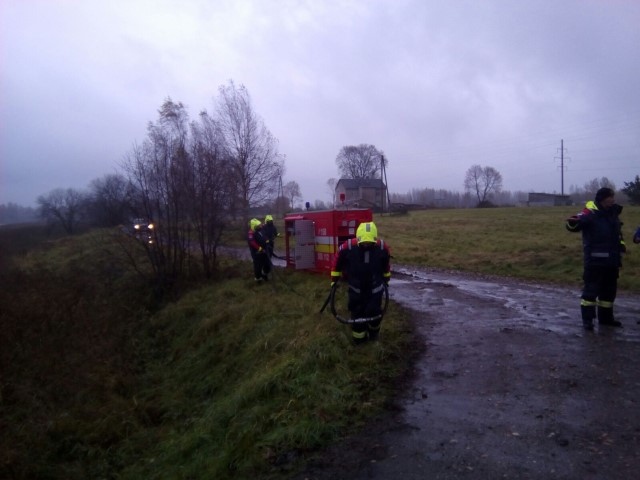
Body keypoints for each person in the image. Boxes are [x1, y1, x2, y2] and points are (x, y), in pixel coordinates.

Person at [566, 187, 626, 330]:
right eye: (610, 197)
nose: (612, 200)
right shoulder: (590, 213)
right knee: (590, 293)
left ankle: (606, 319)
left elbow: (617, 234)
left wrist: (621, 246)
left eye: (612, 197)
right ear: (602, 199)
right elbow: (574, 225)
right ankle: (588, 320)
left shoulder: (613, 213)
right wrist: (573, 222)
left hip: (612, 261)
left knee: (609, 293)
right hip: (595, 261)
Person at [330, 221, 391, 344]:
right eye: (364, 242)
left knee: (374, 312)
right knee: (357, 313)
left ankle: (374, 335)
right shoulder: (348, 247)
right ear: (358, 238)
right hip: (356, 289)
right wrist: (334, 281)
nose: (367, 245)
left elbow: (386, 266)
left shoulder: (382, 248)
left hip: (375, 288)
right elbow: (337, 263)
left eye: (370, 243)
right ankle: (359, 340)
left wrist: (386, 280)